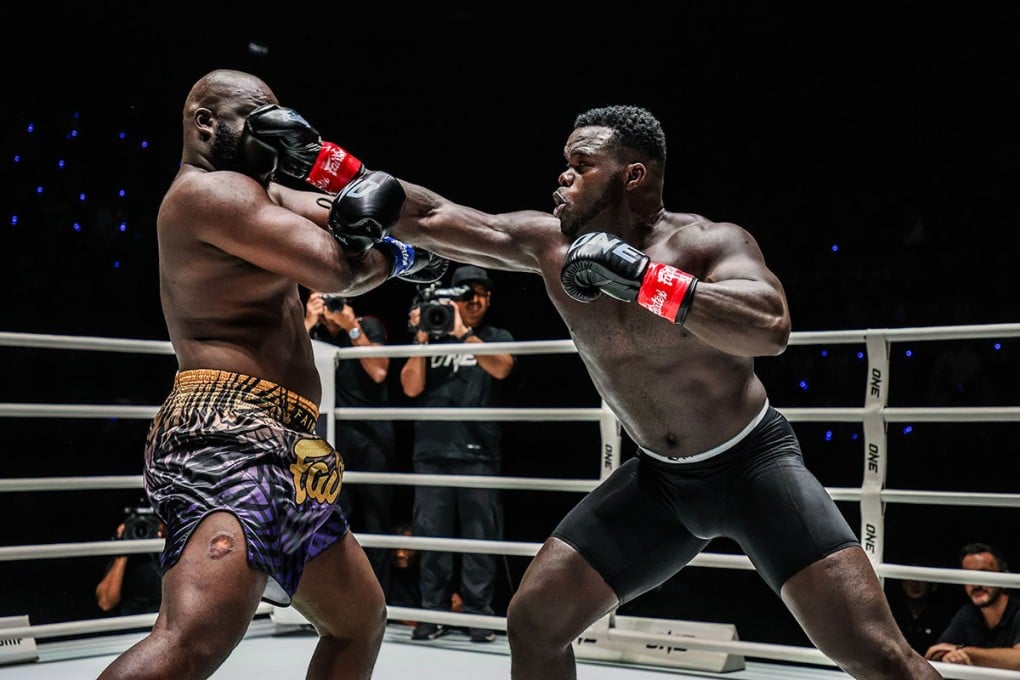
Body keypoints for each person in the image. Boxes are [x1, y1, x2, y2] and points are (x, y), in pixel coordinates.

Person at [320, 104, 942, 678]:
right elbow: (430, 217)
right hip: (660, 483)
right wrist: (332, 166)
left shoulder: (706, 242)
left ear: (632, 176)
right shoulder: (550, 244)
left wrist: (647, 281)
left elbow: (771, 327)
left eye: (580, 166)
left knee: (880, 656)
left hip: (753, 468)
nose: (562, 178)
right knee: (535, 621)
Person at [98, 69, 446, 680]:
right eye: (260, 123)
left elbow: (370, 201)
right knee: (192, 641)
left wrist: (325, 162)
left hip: (290, 443)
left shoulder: (260, 197)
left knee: (357, 621)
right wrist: (404, 254)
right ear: (207, 123)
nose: (276, 140)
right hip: (226, 433)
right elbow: (338, 269)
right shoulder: (208, 194)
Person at [400, 264, 515, 644]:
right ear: (452, 298)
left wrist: (462, 334)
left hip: (479, 452)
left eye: (482, 294)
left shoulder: (496, 335)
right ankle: (431, 615)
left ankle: (479, 616)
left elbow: (502, 369)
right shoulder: (431, 338)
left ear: (490, 299)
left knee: (479, 541)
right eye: (467, 294)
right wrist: (421, 338)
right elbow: (411, 389)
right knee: (432, 541)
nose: (475, 300)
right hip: (431, 452)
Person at [304, 290, 396, 583]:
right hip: (328, 437)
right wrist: (306, 322)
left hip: (372, 437)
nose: (330, 306)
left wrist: (350, 327)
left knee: (377, 518)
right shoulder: (312, 332)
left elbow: (380, 372)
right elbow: (285, 365)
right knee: (331, 518)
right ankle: (339, 596)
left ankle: (380, 597)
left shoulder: (366, 325)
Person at [925, 543, 1020, 670]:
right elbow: (933, 653)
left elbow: (1018, 660)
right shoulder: (968, 613)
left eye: (984, 574)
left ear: (1004, 578)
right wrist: (948, 655)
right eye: (969, 575)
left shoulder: (1017, 612)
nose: (976, 583)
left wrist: (966, 652)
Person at [95, 507, 165, 616]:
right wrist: (124, 545)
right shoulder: (123, 558)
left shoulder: (169, 554)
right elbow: (105, 602)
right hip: (131, 625)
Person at [888, 578, 956, 655]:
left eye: (920, 579)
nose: (914, 584)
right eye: (908, 578)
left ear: (934, 585)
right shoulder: (891, 612)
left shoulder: (943, 617)